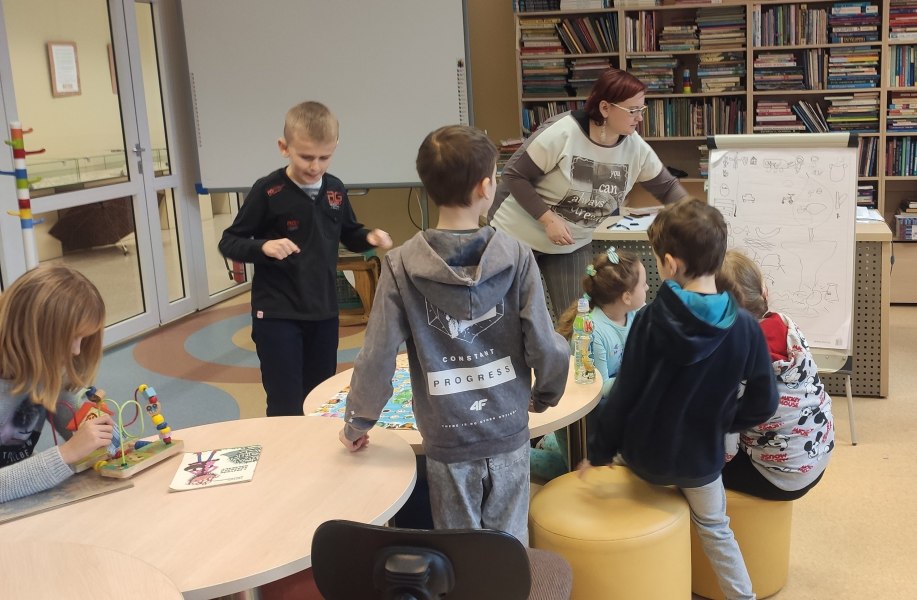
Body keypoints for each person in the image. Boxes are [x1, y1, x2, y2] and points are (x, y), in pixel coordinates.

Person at [339, 125, 570, 545]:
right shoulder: (517, 256)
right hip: (508, 428)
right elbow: (544, 342)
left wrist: (358, 421)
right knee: (510, 546)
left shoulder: (400, 265)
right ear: (485, 187)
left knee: (459, 549)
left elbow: (376, 356)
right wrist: (545, 395)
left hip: (447, 436)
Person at [583, 198, 779, 600]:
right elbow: (764, 403)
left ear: (670, 264)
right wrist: (721, 420)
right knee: (716, 528)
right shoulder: (745, 326)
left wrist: (598, 452)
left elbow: (624, 395)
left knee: (624, 510)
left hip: (646, 459)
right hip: (701, 462)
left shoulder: (648, 319)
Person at [219, 101, 393, 417]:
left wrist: (369, 237)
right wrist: (263, 247)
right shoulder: (268, 191)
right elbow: (230, 242)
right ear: (284, 148)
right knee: (285, 402)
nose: (315, 166)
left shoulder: (335, 189)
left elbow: (349, 232)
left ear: (335, 147)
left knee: (320, 398)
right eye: (306, 157)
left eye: (324, 157)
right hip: (277, 313)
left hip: (323, 312)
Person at [489, 67, 690, 316]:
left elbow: (668, 187)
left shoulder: (635, 147)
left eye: (642, 109)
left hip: (571, 243)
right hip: (517, 234)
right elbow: (514, 175)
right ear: (605, 108)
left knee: (578, 320)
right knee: (510, 319)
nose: (639, 117)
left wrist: (698, 217)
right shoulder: (563, 133)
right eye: (632, 110)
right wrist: (547, 219)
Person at [715, 249, 835, 501]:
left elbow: (727, 449)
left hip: (778, 478)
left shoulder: (733, 360)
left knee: (688, 460)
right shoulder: (787, 325)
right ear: (764, 291)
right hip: (819, 453)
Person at [531, 246, 648, 481]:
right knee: (572, 472)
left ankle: (551, 441)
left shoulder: (635, 314)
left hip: (611, 410)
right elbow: (599, 388)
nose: (647, 288)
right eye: (643, 284)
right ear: (626, 297)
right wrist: (639, 378)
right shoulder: (592, 331)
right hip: (585, 416)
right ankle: (519, 456)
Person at [0, 264, 114, 503]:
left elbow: (76, 421)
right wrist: (66, 454)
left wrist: (106, 438)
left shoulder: (45, 366)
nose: (76, 350)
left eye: (82, 338)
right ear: (34, 334)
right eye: (70, 338)